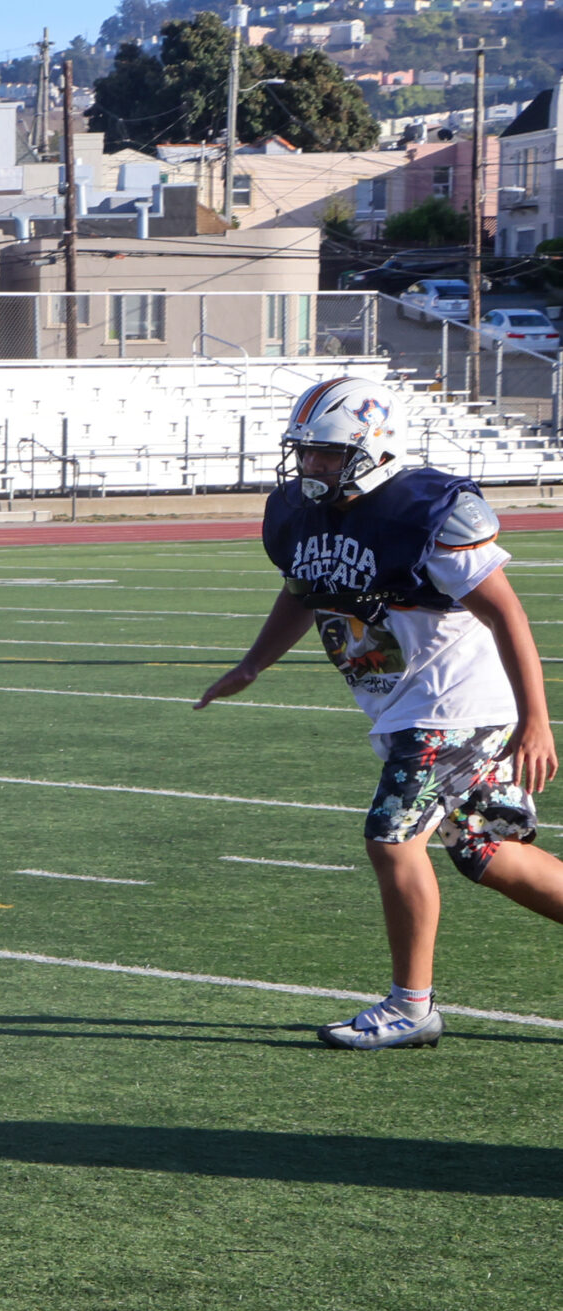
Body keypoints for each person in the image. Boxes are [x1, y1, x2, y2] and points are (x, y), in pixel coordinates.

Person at [198, 374, 563, 1049]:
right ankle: (412, 1001)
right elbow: (305, 588)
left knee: (391, 838)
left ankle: (411, 1005)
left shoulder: (426, 512)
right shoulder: (303, 513)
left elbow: (508, 614)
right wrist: (253, 663)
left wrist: (538, 720)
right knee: (483, 849)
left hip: (454, 704)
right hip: (411, 704)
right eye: (305, 453)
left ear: (373, 449)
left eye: (326, 455)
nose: (311, 466)